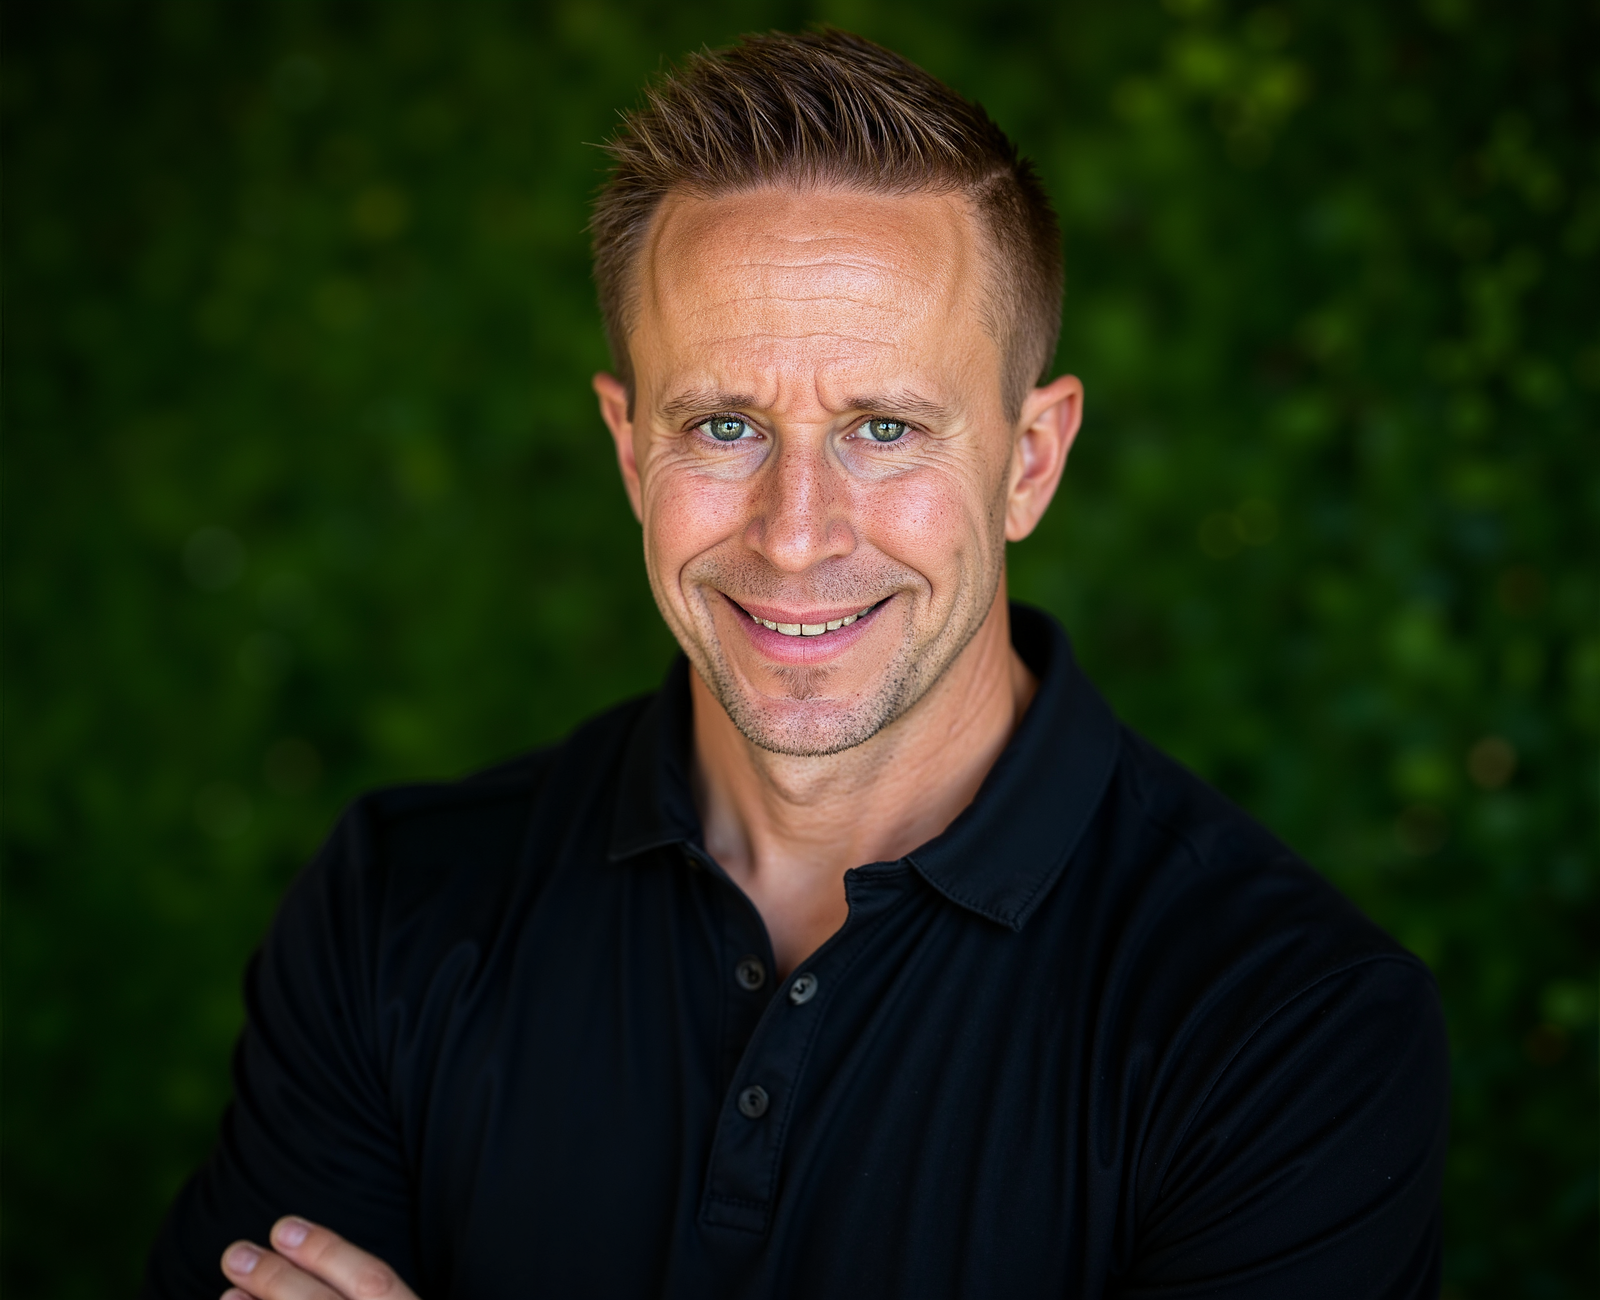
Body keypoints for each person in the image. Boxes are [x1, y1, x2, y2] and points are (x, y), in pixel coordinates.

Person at [144, 28, 1448, 1300]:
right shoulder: (396, 909)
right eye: (725, 425)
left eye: (884, 427)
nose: (796, 531)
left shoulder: (1288, 1030)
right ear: (629, 451)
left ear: (1030, 461)